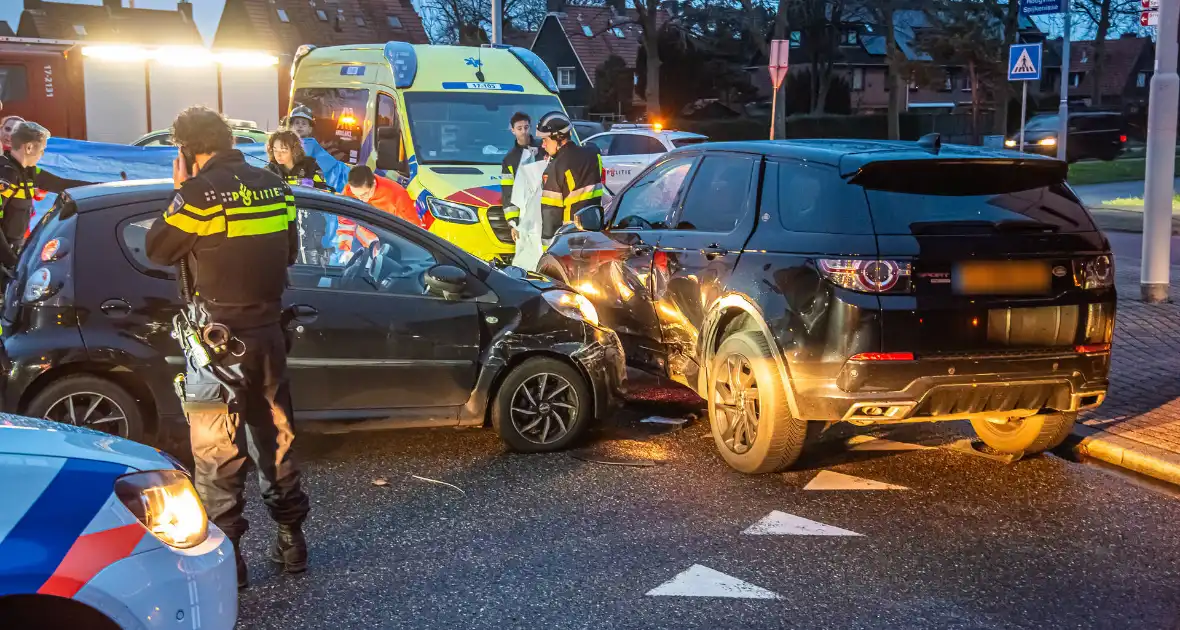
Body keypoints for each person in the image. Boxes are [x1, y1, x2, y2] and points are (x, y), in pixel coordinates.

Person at [144, 106, 310, 590]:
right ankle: (291, 541)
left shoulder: (198, 194)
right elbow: (290, 250)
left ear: (187, 150)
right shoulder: (276, 186)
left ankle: (228, 561)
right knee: (276, 437)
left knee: (218, 452)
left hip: (216, 344)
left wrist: (179, 190)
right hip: (267, 334)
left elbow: (158, 248)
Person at [0, 122, 89, 270]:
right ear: (28, 148)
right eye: (42, 150)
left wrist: (107, 186)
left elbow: (62, 184)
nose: (42, 154)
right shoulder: (7, 175)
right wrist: (11, 262)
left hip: (13, 251)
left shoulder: (29, 172)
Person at [537, 111, 605, 240]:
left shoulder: (555, 168)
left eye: (545, 139)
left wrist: (547, 247)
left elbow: (551, 213)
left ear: (558, 138)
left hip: (569, 237)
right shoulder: (593, 155)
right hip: (595, 230)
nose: (543, 145)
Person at [500, 112, 540, 241]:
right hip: (525, 213)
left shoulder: (544, 148)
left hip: (546, 208)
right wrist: (513, 222)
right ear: (512, 130)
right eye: (519, 128)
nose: (523, 131)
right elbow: (508, 191)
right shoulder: (510, 159)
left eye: (526, 127)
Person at [344, 165, 417, 227]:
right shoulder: (349, 190)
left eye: (364, 194)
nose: (360, 198)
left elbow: (413, 228)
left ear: (374, 184)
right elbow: (345, 221)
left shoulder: (397, 195)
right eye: (355, 194)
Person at [265, 129, 332, 191]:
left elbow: (324, 191)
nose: (278, 155)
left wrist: (311, 189)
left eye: (283, 151)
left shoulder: (310, 166)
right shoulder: (270, 170)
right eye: (275, 150)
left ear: (294, 150)